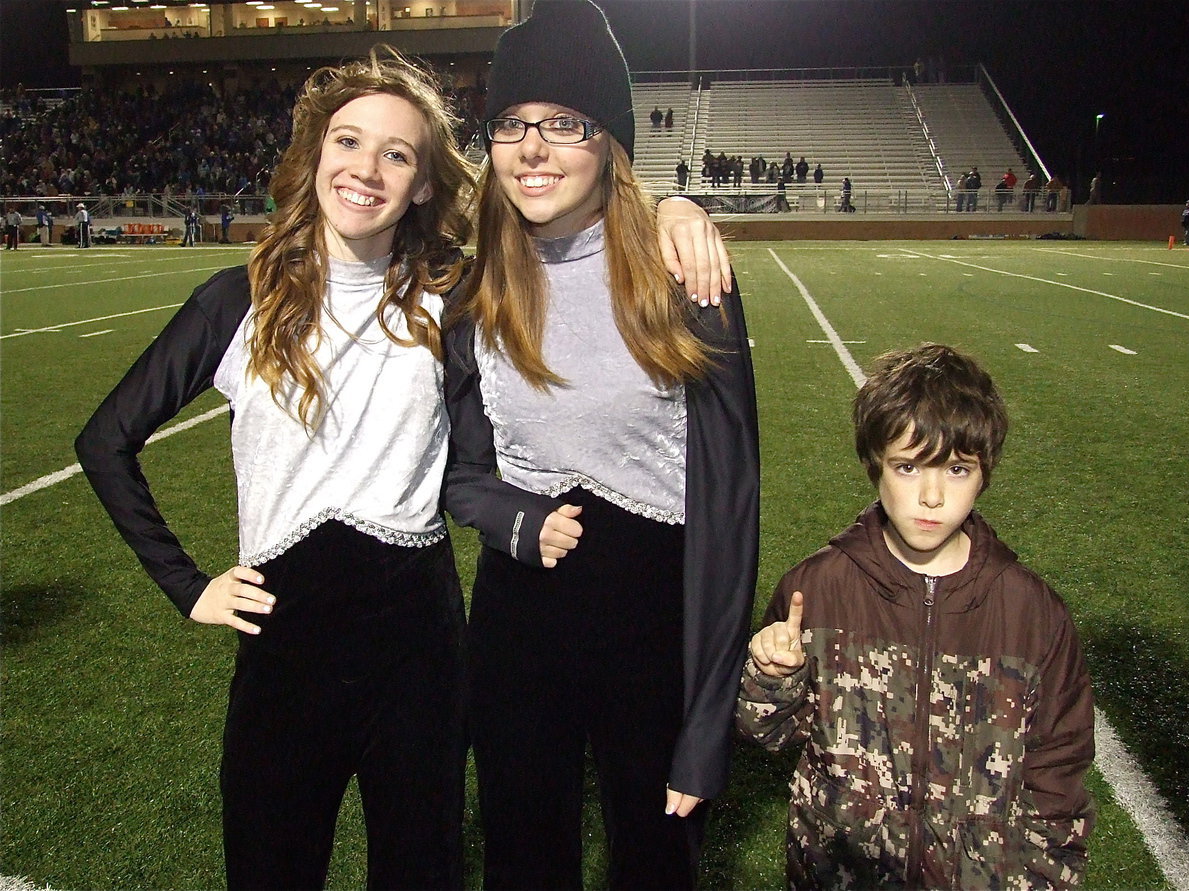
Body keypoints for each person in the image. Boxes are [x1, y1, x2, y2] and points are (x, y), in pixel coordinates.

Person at [73, 39, 735, 891]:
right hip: (284, 649)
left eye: (397, 152)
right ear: (314, 152)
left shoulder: (450, 298)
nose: (366, 168)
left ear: (424, 182)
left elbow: (474, 461)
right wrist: (186, 582)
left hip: (421, 652)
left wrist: (675, 202)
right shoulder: (234, 300)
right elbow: (104, 441)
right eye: (346, 141)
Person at [442, 2, 758, 888]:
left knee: (654, 863)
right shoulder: (473, 298)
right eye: (511, 123)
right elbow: (460, 472)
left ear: (609, 143)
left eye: (564, 123)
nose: (533, 147)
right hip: (516, 621)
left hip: (652, 621)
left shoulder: (685, 282)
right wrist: (514, 515)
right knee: (523, 858)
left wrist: (705, 722)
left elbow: (730, 507)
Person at [737, 343, 1095, 889]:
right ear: (874, 466)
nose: (931, 496)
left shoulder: (1032, 613)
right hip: (841, 873)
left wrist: (1040, 875)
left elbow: (1059, 768)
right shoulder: (818, 589)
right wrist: (771, 678)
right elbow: (766, 734)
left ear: (985, 473)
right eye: (908, 467)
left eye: (956, 469)